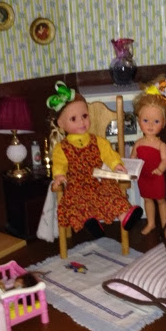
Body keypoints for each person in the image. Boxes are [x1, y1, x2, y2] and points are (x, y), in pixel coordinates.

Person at [47, 81, 143, 238]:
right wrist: (59, 176)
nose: (82, 122)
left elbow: (109, 154)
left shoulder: (97, 141)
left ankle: (125, 216)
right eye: (73, 119)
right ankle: (90, 222)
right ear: (61, 123)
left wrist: (116, 164)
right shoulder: (61, 147)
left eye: (84, 116)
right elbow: (59, 164)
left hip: (98, 179)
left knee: (111, 193)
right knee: (77, 200)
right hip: (77, 183)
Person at [131, 90, 166, 234]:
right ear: (139, 121)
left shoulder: (161, 145)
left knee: (161, 200)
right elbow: (133, 158)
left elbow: (165, 160)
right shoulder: (138, 143)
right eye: (146, 120)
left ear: (163, 123)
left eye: (156, 121)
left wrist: (160, 169)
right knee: (147, 199)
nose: (150, 125)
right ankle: (151, 223)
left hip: (156, 176)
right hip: (144, 176)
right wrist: (132, 169)